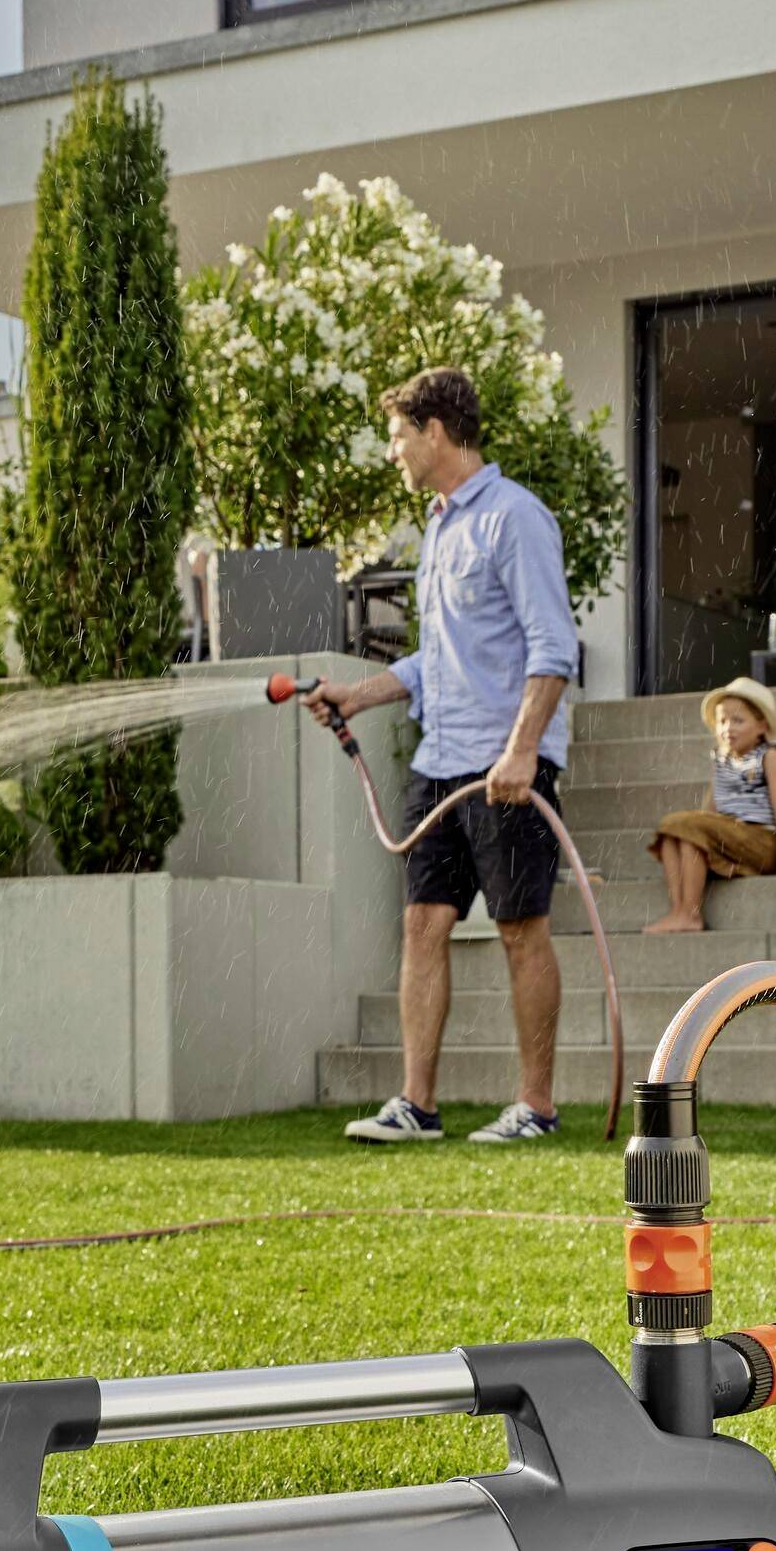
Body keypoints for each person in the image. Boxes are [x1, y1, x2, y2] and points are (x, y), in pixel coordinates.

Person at [301, 366, 580, 1144]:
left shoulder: (512, 518)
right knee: (423, 924)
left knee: (520, 927)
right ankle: (416, 1104)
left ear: (434, 431)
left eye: (396, 436)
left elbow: (552, 648)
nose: (391, 452)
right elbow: (439, 658)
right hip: (442, 758)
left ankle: (536, 1107)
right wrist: (358, 694)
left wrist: (523, 752)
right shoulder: (441, 528)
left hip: (504, 766)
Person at [644, 676, 776, 932]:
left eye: (738, 720)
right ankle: (680, 909)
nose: (727, 728)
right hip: (727, 835)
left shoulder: (770, 756)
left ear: (761, 726)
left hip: (758, 840)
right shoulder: (721, 759)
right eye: (722, 721)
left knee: (685, 825)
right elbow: (710, 809)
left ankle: (690, 913)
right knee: (673, 832)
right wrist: (696, 828)